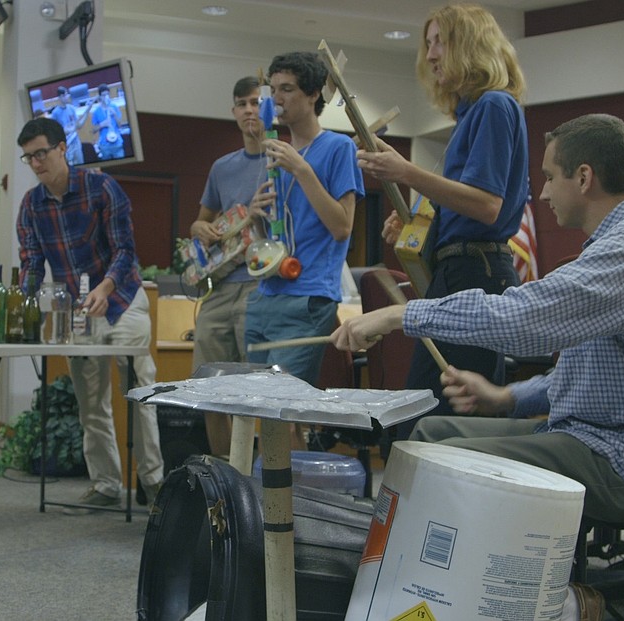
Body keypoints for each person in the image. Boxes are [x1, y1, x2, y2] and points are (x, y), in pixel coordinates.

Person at [332, 113, 624, 620]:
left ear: (583, 177)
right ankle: (417, 590)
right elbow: (590, 373)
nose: (542, 191)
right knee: (428, 433)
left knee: (444, 461)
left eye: (551, 176)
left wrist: (405, 313)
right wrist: (505, 397)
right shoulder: (621, 244)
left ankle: (472, 600)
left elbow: (525, 317)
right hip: (595, 435)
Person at [357, 3, 528, 435]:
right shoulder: (475, 113)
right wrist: (420, 228)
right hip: (464, 269)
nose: (431, 54)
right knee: (434, 415)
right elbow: (470, 209)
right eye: (428, 43)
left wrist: (406, 172)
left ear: (470, 45)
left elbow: (487, 205)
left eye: (440, 41)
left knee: (439, 421)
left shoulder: (492, 105)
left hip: (475, 272)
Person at [16, 117, 164, 509]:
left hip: (122, 299)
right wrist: (21, 305)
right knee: (90, 403)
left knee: (138, 393)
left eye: (41, 153)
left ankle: (153, 482)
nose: (35, 163)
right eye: (28, 157)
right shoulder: (31, 205)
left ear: (63, 148)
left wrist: (105, 286)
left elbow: (125, 250)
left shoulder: (101, 187)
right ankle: (106, 484)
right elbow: (31, 264)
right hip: (77, 310)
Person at [244, 51, 365, 388]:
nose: (277, 99)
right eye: (274, 90)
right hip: (266, 294)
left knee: (281, 404)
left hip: (308, 297)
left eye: (287, 89)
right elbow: (273, 239)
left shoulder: (338, 147)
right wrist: (256, 219)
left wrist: (301, 168)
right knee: (257, 403)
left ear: (313, 94)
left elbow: (342, 227)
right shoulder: (276, 151)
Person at [189, 76, 265, 455]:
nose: (249, 110)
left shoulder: (285, 158)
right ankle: (222, 477)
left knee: (262, 390)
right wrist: (199, 227)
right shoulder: (223, 167)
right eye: (242, 104)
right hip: (220, 287)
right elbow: (201, 222)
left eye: (255, 101)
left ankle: (268, 482)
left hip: (262, 284)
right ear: (234, 112)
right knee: (207, 387)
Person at [50, 85, 93, 166]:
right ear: (60, 97)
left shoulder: (71, 108)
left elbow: (79, 126)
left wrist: (88, 110)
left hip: (76, 143)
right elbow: (54, 133)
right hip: (66, 146)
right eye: (66, 95)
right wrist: (64, 131)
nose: (68, 96)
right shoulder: (55, 113)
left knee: (81, 167)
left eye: (67, 94)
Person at [90, 83, 124, 161]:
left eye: (107, 94)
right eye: (103, 95)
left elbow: (120, 125)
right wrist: (102, 124)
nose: (106, 97)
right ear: (99, 96)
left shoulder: (114, 107)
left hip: (117, 143)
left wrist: (115, 114)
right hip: (104, 145)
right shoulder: (96, 111)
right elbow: (93, 130)